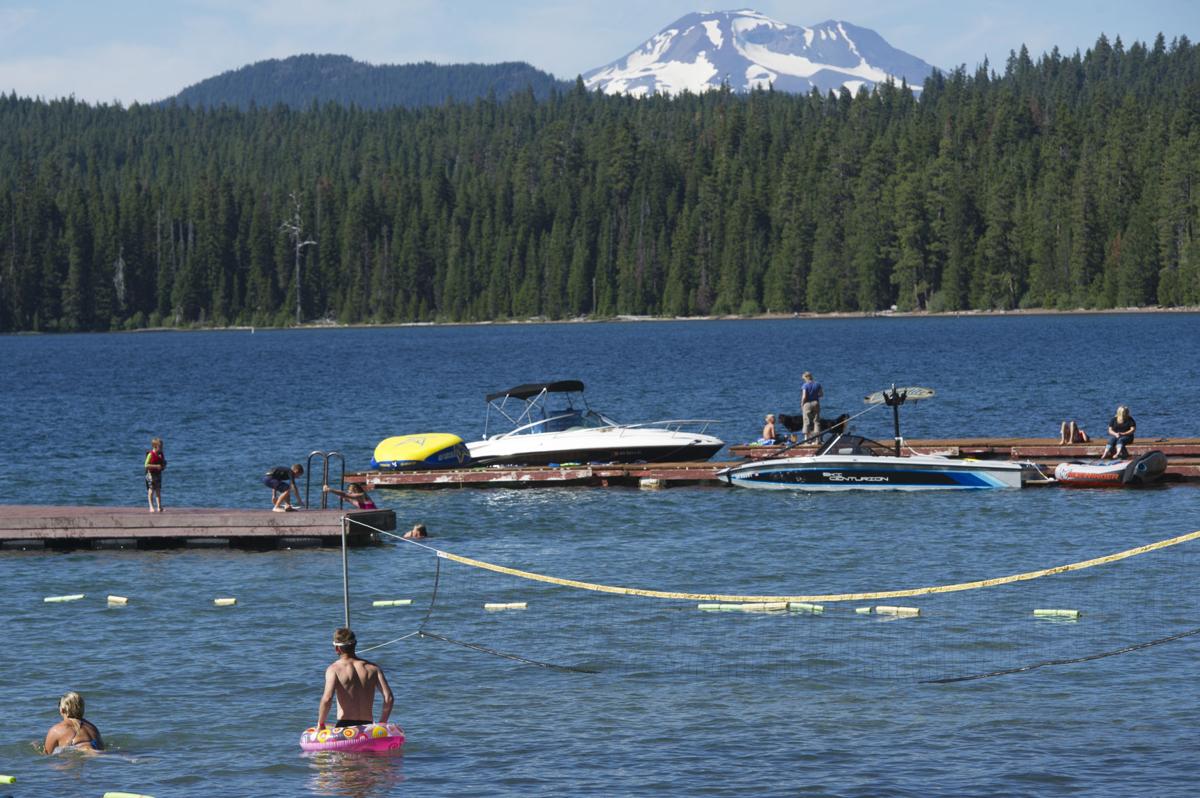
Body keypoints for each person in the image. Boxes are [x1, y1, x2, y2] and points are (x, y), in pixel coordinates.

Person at [317, 628, 393, 729]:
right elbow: (389, 698)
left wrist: (321, 724)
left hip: (345, 727)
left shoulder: (334, 669)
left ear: (337, 648)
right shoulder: (373, 668)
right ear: (355, 645)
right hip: (368, 727)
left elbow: (327, 699)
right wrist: (382, 723)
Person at [800, 371, 824, 440]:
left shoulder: (805, 385)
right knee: (816, 420)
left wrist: (802, 404)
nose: (804, 380)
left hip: (807, 403)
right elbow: (821, 394)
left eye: (804, 378)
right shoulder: (818, 384)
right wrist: (815, 395)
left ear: (806, 377)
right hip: (816, 403)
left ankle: (806, 439)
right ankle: (817, 439)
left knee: (806, 420)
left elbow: (804, 396)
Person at [144, 437, 166, 512]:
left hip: (158, 474)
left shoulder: (160, 454)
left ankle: (159, 507)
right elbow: (146, 465)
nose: (162, 449)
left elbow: (163, 463)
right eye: (160, 447)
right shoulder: (150, 454)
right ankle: (151, 506)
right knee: (151, 490)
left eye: (162, 447)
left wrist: (163, 466)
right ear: (155, 447)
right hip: (151, 474)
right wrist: (156, 466)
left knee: (158, 490)